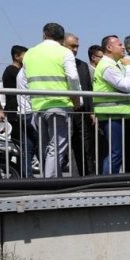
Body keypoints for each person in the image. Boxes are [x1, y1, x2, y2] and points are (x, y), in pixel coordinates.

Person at [22, 22, 82, 177]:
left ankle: (51, 178)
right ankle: (51, 182)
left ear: (44, 35)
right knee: (56, 147)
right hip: (59, 105)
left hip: (38, 106)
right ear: (62, 38)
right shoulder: (64, 52)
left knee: (45, 147)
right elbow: (73, 77)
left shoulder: (30, 53)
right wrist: (77, 99)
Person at [93, 35, 130, 174]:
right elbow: (126, 86)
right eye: (119, 44)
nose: (123, 47)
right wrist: (129, 69)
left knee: (116, 152)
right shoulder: (107, 66)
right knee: (115, 153)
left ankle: (108, 182)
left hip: (117, 114)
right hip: (112, 114)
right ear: (109, 48)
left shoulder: (113, 64)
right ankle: (107, 184)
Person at [63, 33, 97, 176]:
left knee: (85, 147)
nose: (75, 49)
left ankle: (87, 176)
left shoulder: (82, 65)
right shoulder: (58, 63)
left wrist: (92, 112)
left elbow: (88, 90)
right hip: (64, 110)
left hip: (82, 113)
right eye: (72, 46)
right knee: (65, 148)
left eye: (77, 46)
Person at [1, 45, 27, 145]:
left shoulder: (16, 71)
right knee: (19, 141)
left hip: (17, 110)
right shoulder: (13, 71)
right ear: (16, 56)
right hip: (14, 111)